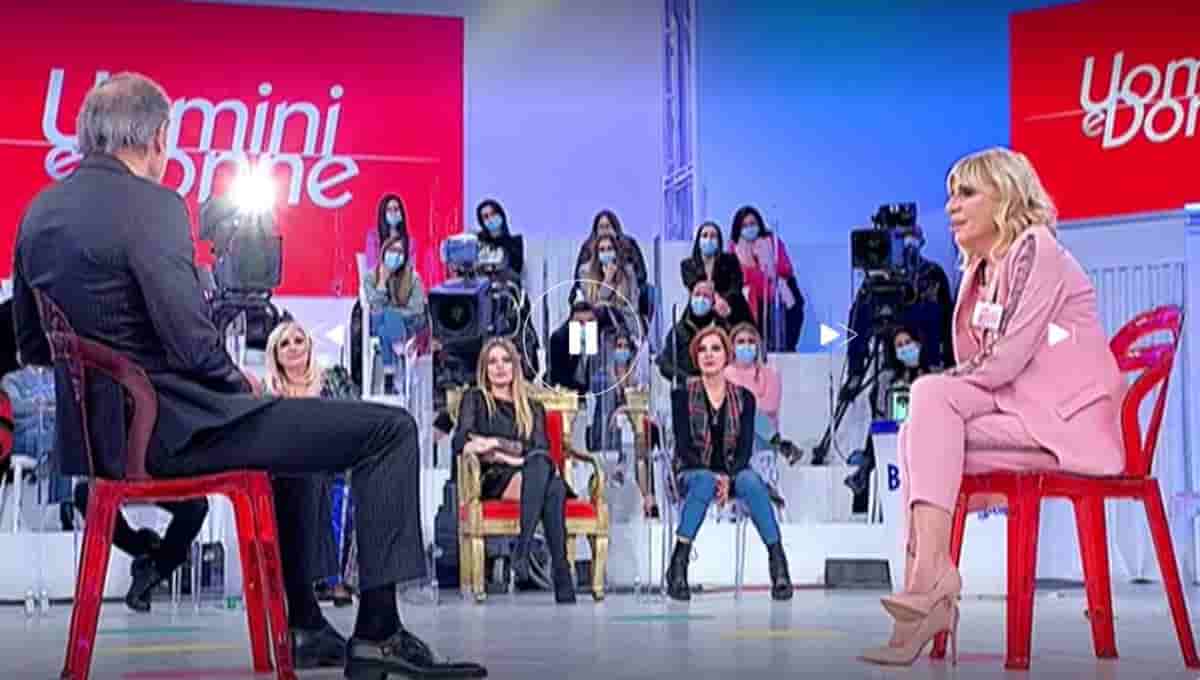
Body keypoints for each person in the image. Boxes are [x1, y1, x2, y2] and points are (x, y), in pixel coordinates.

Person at [12, 73, 485, 679]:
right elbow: (191, 341)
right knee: (389, 430)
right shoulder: (153, 204)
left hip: (98, 444)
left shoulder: (38, 213)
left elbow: (32, 343)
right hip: (174, 432)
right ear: (158, 137)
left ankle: (304, 624)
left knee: (295, 440)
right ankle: (379, 631)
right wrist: (242, 385)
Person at [859, 147, 1125, 666]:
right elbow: (980, 366)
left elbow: (1001, 362)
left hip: (1064, 422)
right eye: (950, 195)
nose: (951, 206)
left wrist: (938, 390)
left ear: (1005, 197)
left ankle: (928, 583)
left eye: (966, 193)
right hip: (1021, 412)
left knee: (927, 406)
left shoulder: (1036, 249)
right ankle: (928, 589)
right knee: (920, 427)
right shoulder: (981, 270)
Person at [664, 326, 792, 601]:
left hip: (733, 473)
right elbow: (684, 448)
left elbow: (744, 450)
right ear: (695, 357)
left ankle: (778, 564)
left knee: (751, 481)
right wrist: (713, 476)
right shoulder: (682, 395)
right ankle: (679, 564)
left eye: (716, 349)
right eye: (702, 350)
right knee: (703, 481)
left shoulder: (744, 397)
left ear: (726, 355)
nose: (709, 355)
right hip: (692, 473)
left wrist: (727, 478)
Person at [452, 338, 576, 603]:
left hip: (531, 472)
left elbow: (538, 449)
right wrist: (509, 456)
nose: (500, 367)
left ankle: (526, 550)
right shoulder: (475, 399)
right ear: (484, 369)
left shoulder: (533, 407)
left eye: (506, 360)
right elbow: (461, 441)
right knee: (550, 482)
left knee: (550, 482)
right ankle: (557, 569)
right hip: (495, 478)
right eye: (492, 362)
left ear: (515, 366)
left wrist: (494, 445)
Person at [263, 319, 359, 609]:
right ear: (276, 355)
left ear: (309, 346)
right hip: (288, 471)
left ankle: (332, 578)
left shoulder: (332, 379)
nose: (293, 347)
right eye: (284, 344)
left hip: (332, 465)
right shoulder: (270, 394)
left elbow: (354, 421)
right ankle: (301, 579)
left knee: (331, 485)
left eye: (299, 340)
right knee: (300, 482)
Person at [728, 206, 804, 351]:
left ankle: (788, 348)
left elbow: (785, 269)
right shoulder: (735, 248)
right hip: (755, 296)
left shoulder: (771, 241)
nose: (749, 228)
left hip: (778, 288)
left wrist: (768, 262)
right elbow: (739, 278)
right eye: (744, 225)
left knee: (794, 301)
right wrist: (750, 262)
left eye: (752, 224)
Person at [362, 234, 428, 394]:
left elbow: (417, 308)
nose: (395, 255)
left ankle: (389, 377)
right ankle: (400, 352)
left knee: (385, 329)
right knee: (384, 317)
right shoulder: (370, 277)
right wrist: (382, 282)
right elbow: (375, 304)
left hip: (407, 324)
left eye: (399, 252)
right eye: (392, 250)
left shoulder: (413, 277)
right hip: (379, 322)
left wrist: (394, 313)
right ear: (383, 252)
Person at [680, 221, 753, 328]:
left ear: (719, 241)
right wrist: (716, 299)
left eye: (713, 236)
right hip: (702, 307)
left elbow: (736, 286)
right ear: (698, 240)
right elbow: (696, 286)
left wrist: (724, 301)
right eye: (705, 235)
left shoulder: (731, 260)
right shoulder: (687, 264)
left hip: (731, 306)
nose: (708, 239)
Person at [657, 280, 727, 385]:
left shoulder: (720, 329)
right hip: (685, 388)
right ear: (690, 298)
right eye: (697, 294)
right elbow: (665, 365)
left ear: (713, 301)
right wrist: (686, 379)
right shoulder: (678, 330)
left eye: (706, 296)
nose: (701, 299)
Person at [364, 193, 408, 271]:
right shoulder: (373, 237)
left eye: (396, 209)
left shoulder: (410, 241)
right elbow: (372, 266)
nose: (393, 212)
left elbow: (410, 269)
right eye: (389, 209)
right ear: (383, 213)